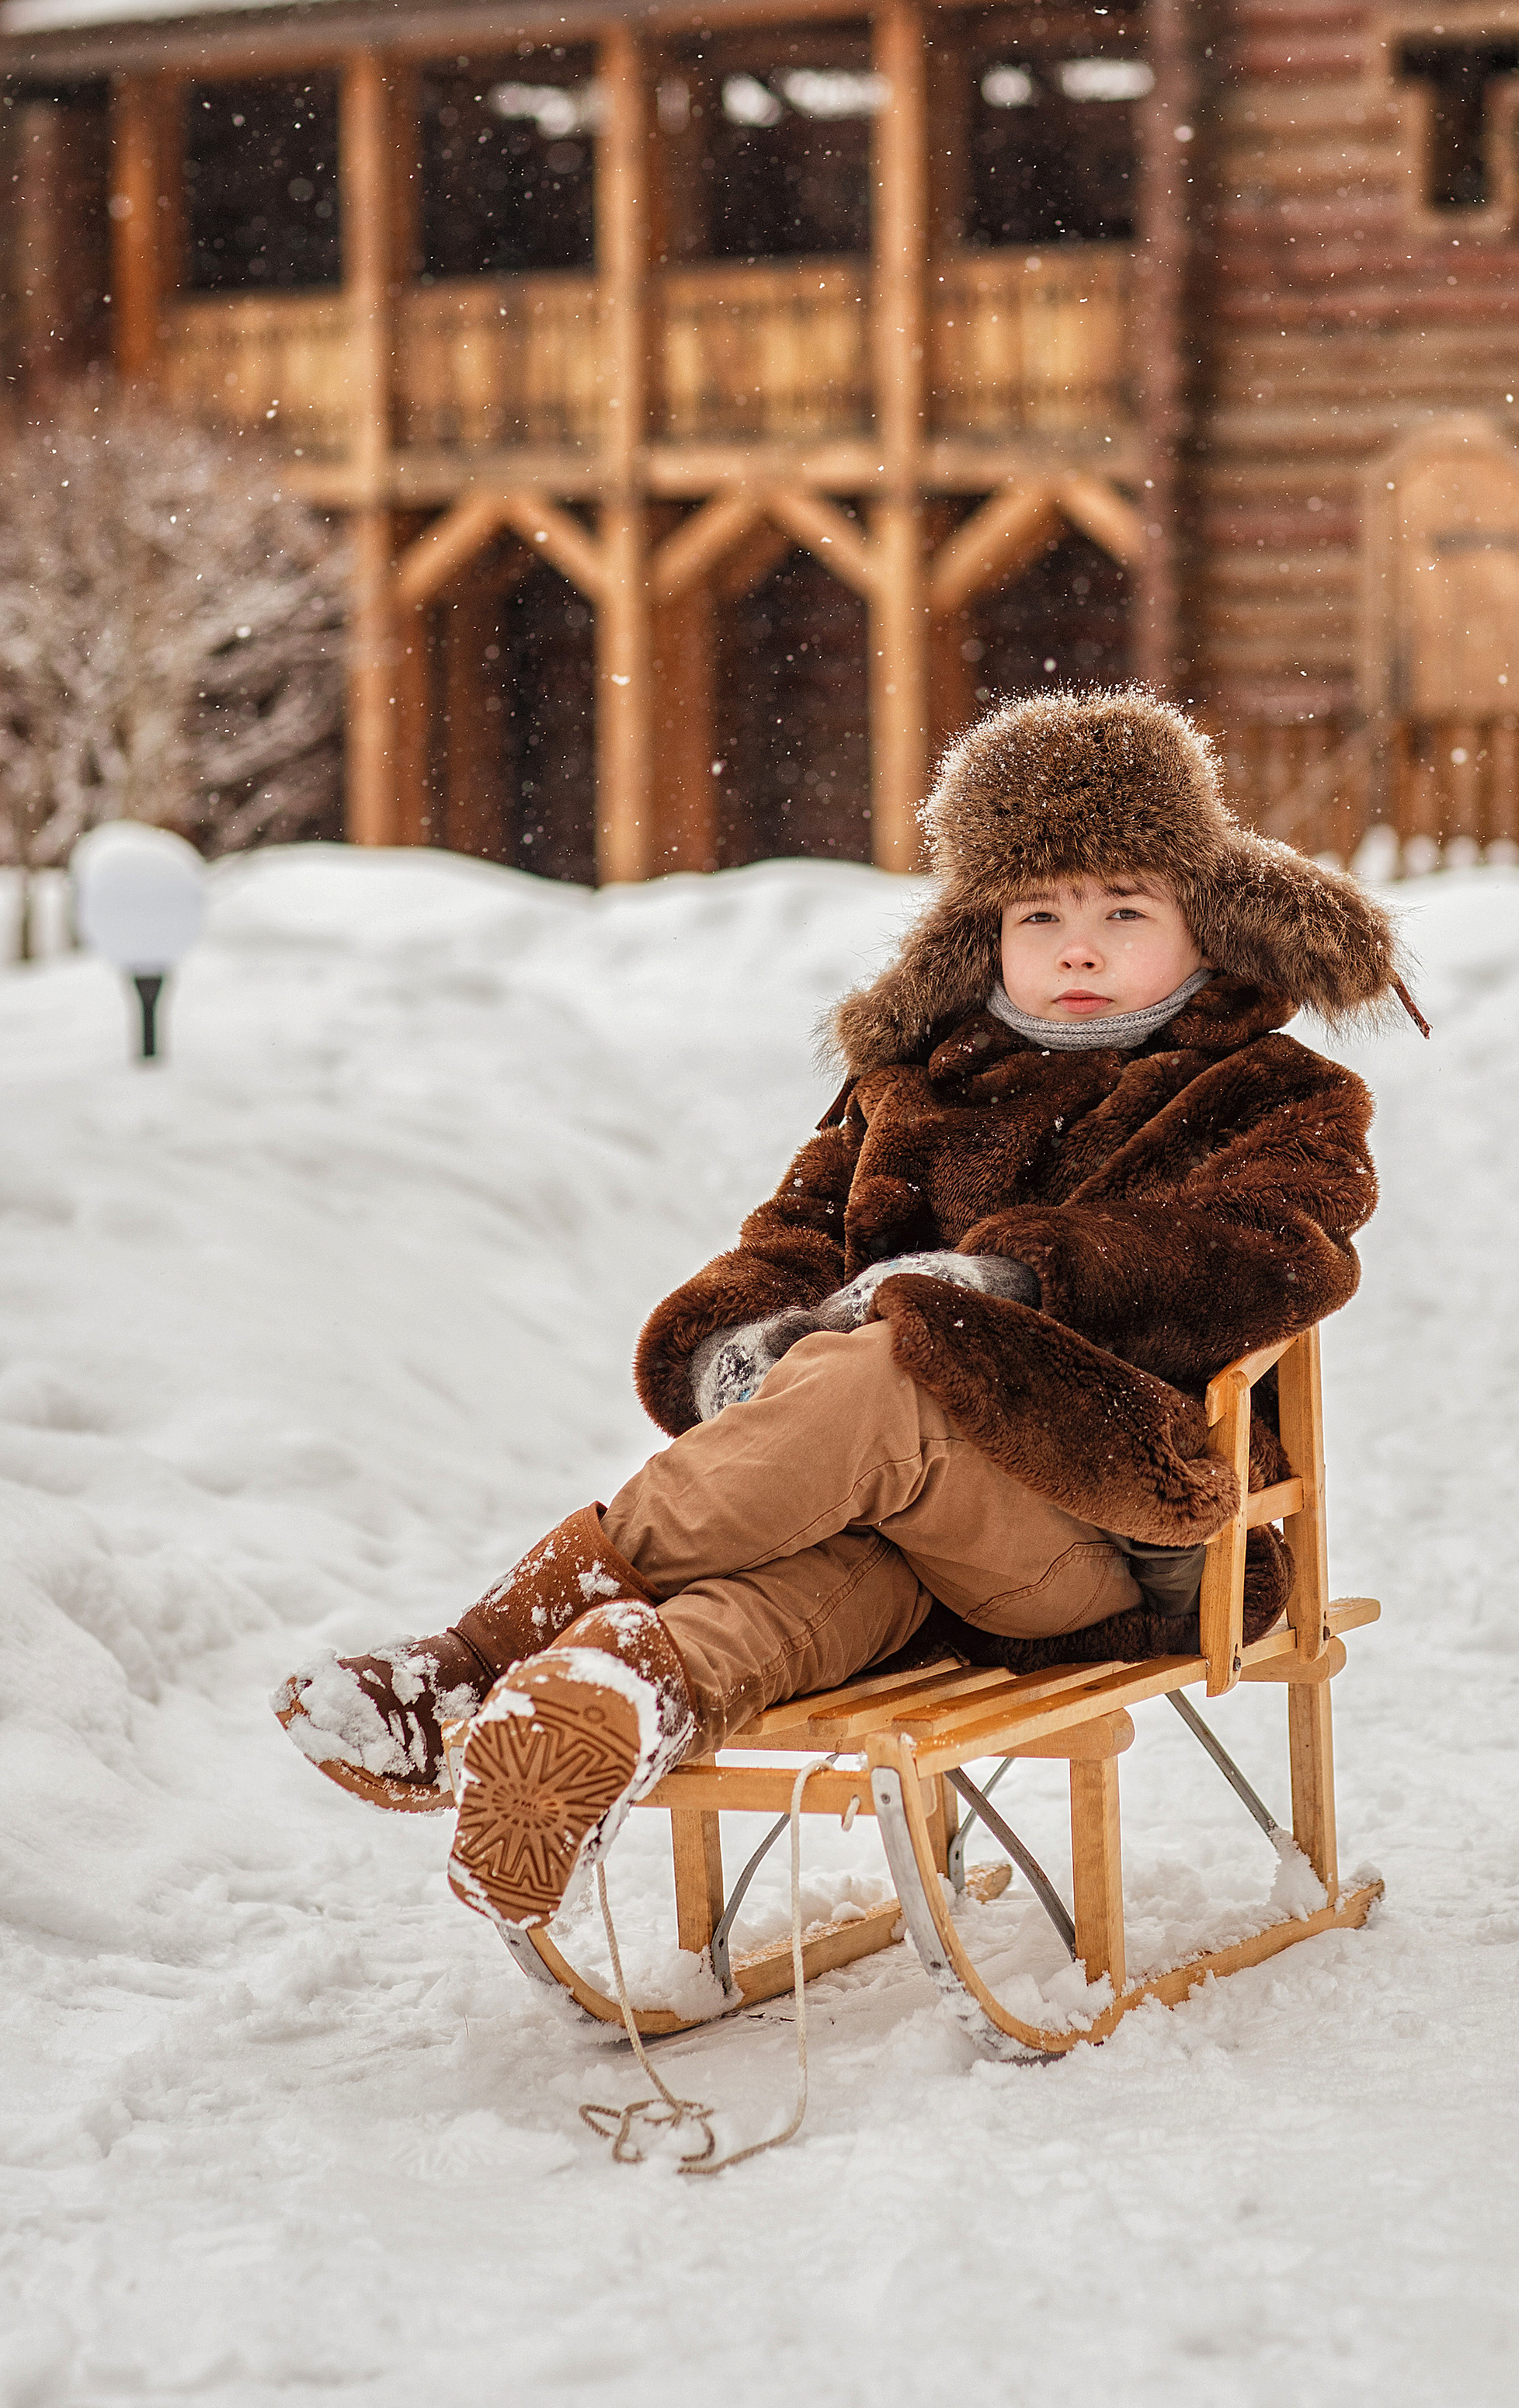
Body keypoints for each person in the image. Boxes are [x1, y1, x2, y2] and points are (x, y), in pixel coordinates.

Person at [274, 688, 1409, 1941]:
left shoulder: (1270, 1093)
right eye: (1042, 914)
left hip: (1120, 1533)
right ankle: (605, 1707)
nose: (1078, 949)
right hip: (899, 1535)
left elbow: (1273, 1255)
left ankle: (468, 1664)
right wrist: (743, 1351)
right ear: (989, 931)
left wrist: (1017, 1283)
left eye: (1123, 911)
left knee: (898, 1361)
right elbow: (784, 1248)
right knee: (792, 1591)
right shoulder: (914, 1088)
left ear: (1203, 917)